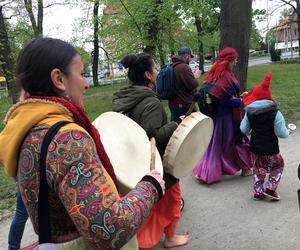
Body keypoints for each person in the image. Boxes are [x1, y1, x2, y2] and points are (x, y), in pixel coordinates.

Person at [0, 37, 165, 249]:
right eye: (81, 73)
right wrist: (150, 186)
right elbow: (109, 229)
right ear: (59, 79)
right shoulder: (67, 139)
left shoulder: (28, 129)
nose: (86, 83)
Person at [112, 53, 189, 249]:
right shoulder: (150, 102)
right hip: (155, 164)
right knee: (173, 199)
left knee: (146, 204)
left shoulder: (126, 98)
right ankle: (169, 239)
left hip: (134, 163)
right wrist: (174, 125)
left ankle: (140, 240)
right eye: (154, 69)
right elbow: (150, 136)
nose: (157, 72)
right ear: (147, 75)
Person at [193, 47, 252, 184]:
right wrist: (240, 101)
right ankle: (245, 168)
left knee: (216, 144)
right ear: (229, 61)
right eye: (234, 60)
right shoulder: (225, 75)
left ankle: (206, 171)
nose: (235, 63)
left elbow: (220, 95)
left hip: (218, 116)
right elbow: (223, 100)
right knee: (237, 140)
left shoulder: (215, 73)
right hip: (227, 117)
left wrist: (237, 97)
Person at [240, 72, 289, 201]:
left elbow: (243, 129)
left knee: (258, 169)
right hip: (271, 148)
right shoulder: (275, 113)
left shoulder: (249, 113)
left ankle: (258, 192)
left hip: (255, 147)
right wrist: (287, 131)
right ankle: (271, 188)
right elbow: (281, 133)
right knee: (278, 165)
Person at [168, 47, 202, 123]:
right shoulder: (183, 67)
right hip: (185, 105)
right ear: (187, 55)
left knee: (178, 129)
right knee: (190, 130)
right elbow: (193, 85)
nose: (190, 59)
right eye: (190, 57)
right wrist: (195, 76)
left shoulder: (172, 66)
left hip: (173, 104)